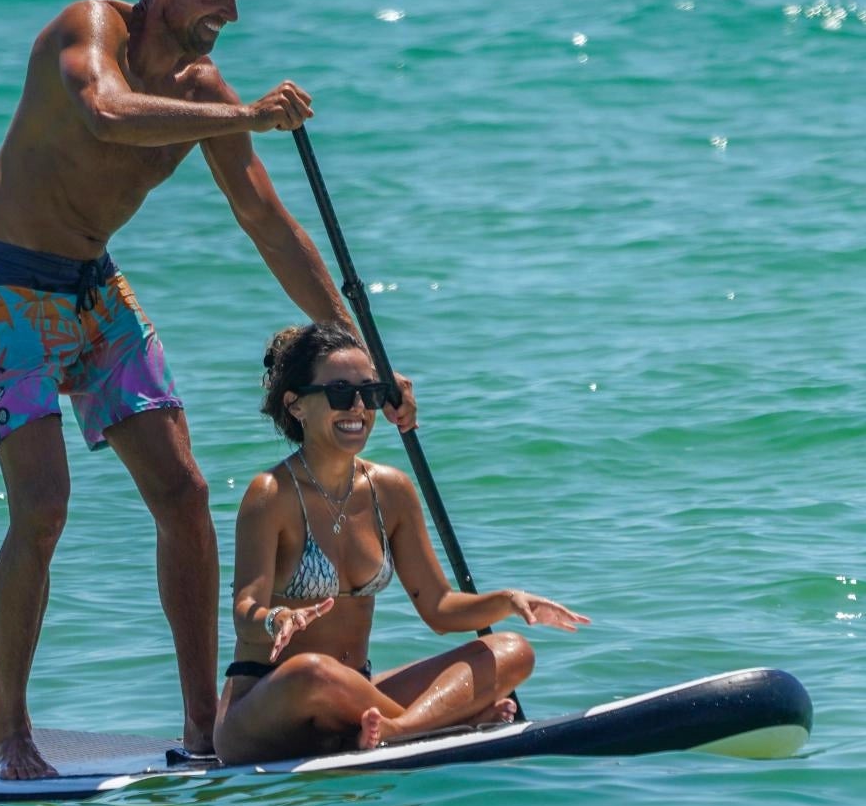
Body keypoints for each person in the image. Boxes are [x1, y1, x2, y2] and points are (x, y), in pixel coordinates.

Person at [0, 0, 415, 780]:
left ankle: (206, 729)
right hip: (2, 290)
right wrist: (247, 113)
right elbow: (107, 113)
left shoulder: (204, 89)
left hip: (94, 292)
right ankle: (9, 733)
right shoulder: (90, 28)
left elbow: (265, 221)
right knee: (43, 508)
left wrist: (361, 355)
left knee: (185, 490)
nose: (228, 13)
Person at [214, 322, 587, 765]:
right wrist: (276, 619)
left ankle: (397, 731)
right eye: (338, 392)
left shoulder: (389, 490)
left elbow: (440, 607)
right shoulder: (271, 494)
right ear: (296, 405)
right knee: (312, 671)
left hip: (358, 704)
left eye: (369, 393)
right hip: (268, 706)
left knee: (511, 651)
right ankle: (446, 727)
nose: (357, 407)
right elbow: (244, 614)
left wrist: (507, 600)